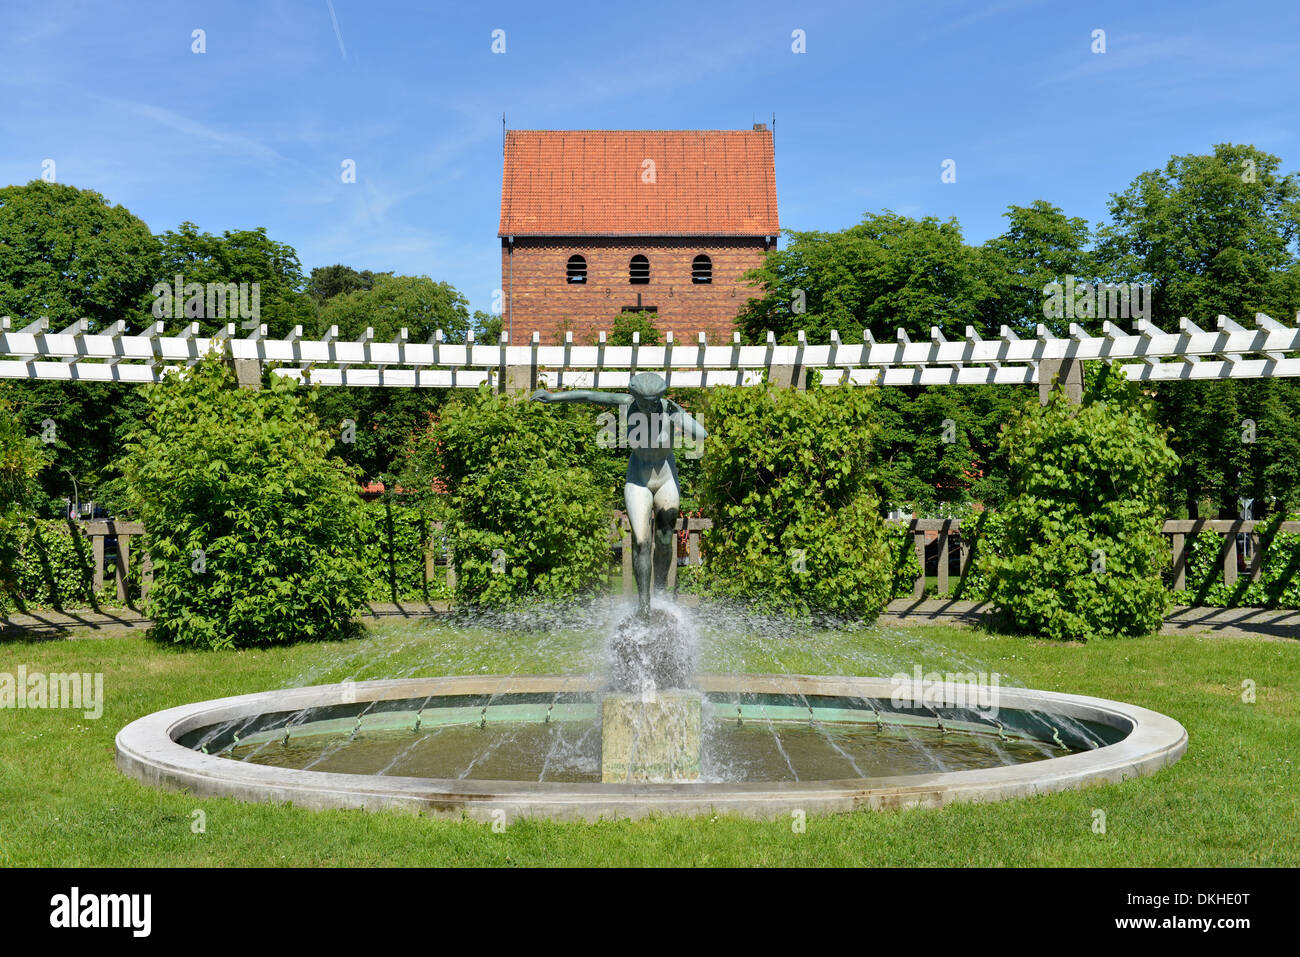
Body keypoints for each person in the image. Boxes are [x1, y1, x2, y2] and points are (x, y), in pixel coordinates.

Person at [531, 372, 706, 617]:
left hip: (666, 478)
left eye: (655, 400)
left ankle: (661, 595)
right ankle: (644, 605)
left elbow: (702, 435)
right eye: (646, 401)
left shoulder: (669, 409)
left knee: (665, 539)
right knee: (642, 540)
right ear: (635, 397)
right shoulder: (626, 404)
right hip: (638, 478)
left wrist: (679, 415)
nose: (651, 405)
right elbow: (589, 396)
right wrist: (553, 397)